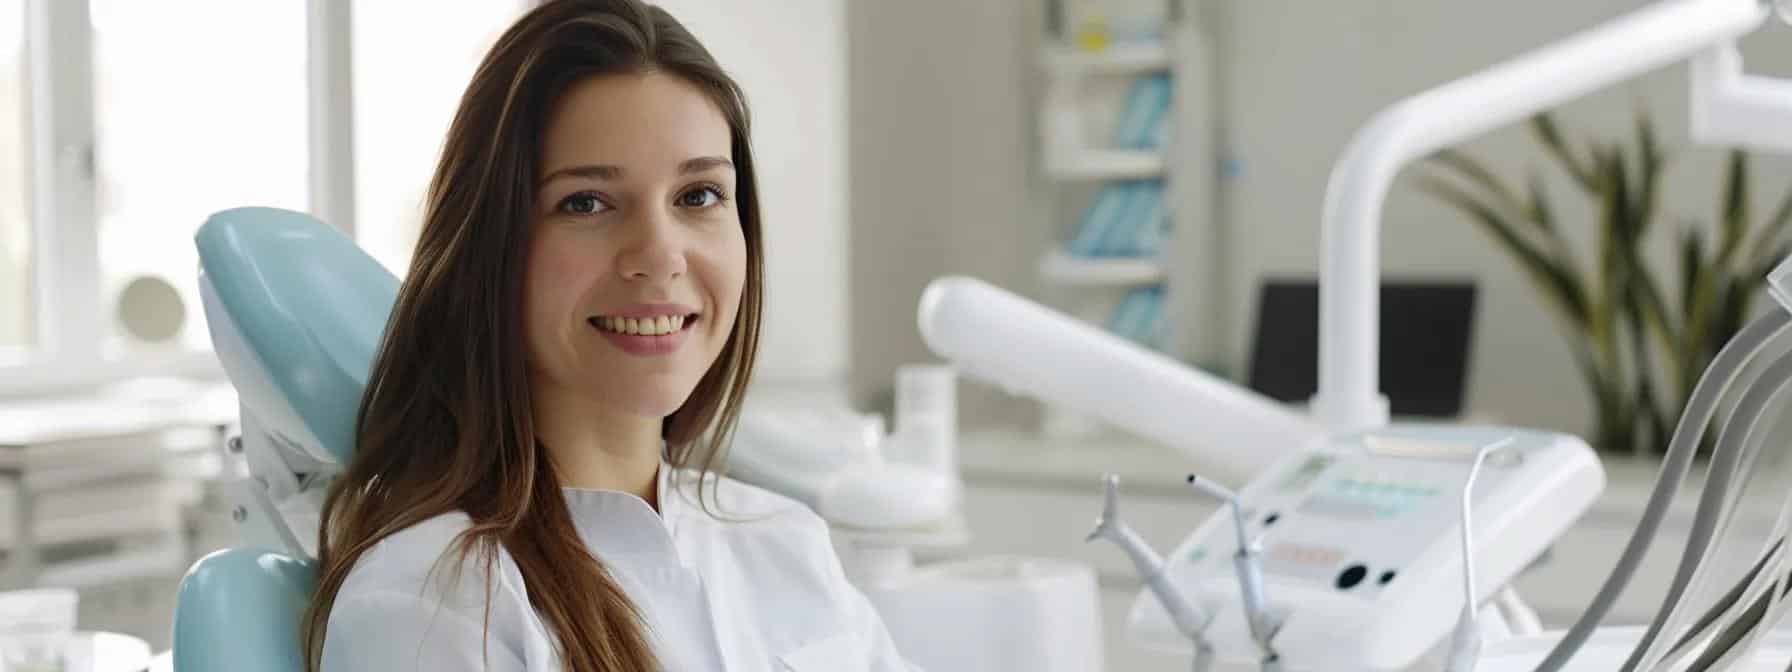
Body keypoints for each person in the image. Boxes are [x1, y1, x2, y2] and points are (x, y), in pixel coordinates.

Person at [300, 1, 918, 669]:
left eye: (699, 196)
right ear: (490, 248)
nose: (659, 254)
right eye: (586, 203)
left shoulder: (785, 543)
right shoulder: (432, 603)